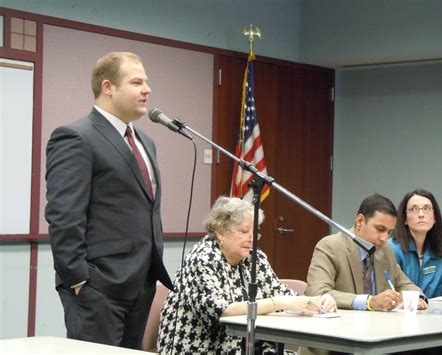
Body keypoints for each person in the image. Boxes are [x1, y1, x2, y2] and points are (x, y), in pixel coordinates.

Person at [45, 52, 172, 349]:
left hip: (141, 284)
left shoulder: (145, 141)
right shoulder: (76, 137)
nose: (147, 89)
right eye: (137, 82)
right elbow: (64, 215)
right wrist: (79, 280)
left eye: (147, 82)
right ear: (107, 87)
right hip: (97, 288)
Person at [157, 196, 337, 354]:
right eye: (244, 232)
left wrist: (315, 302)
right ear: (220, 232)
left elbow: (279, 291)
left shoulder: (254, 257)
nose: (251, 238)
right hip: (202, 346)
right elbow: (221, 310)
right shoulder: (202, 258)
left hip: (249, 345)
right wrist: (279, 303)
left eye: (255, 231)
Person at [300, 193, 428, 355]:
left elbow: (404, 283)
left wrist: (418, 298)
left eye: (389, 232)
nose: (384, 238)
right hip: (335, 342)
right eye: (380, 229)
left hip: (374, 340)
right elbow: (318, 293)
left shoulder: (385, 251)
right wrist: (369, 302)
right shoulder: (330, 246)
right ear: (360, 221)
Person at [388, 189, 442, 298]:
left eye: (426, 209)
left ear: (435, 217)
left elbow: (436, 301)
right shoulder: (391, 250)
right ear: (405, 219)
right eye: (414, 209)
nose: (421, 214)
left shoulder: (441, 258)